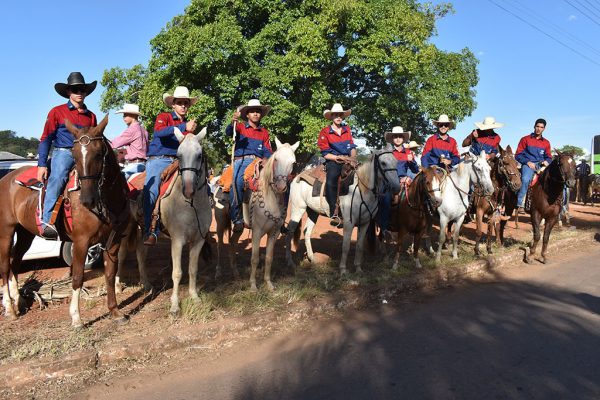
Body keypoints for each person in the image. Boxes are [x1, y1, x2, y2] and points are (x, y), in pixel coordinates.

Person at [36, 72, 98, 239]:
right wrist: (42, 164)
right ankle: (47, 221)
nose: (79, 92)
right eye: (75, 89)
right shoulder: (57, 111)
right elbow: (46, 138)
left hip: (85, 154)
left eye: (82, 89)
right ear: (69, 92)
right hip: (64, 152)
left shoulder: (91, 116)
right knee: (58, 178)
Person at [143, 86, 198, 245]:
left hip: (180, 161)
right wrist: (183, 128)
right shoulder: (164, 117)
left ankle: (201, 228)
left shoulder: (189, 126)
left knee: (202, 187)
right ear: (173, 104)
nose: (183, 106)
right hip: (159, 159)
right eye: (180, 103)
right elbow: (159, 132)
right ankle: (150, 230)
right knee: (151, 191)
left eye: (186, 103)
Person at [225, 99, 273, 232]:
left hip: (259, 161)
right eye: (252, 111)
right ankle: (237, 218)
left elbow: (267, 150)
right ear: (247, 114)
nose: (256, 114)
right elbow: (229, 132)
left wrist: (267, 159)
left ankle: (279, 216)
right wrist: (233, 121)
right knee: (237, 182)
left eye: (258, 111)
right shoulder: (240, 126)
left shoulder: (264, 132)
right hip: (242, 160)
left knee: (280, 180)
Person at [317, 103, 357, 226]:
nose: (338, 117)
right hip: (333, 160)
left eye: (340, 115)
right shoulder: (325, 132)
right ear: (331, 117)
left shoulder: (347, 129)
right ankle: (334, 211)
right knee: (331, 180)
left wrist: (353, 158)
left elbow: (352, 147)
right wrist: (337, 157)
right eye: (336, 115)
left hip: (348, 160)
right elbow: (325, 153)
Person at [378, 126, 420, 235]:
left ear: (403, 138)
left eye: (400, 136)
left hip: (405, 180)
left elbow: (415, 170)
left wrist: (411, 161)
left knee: (418, 197)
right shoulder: (388, 152)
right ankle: (384, 227)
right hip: (389, 181)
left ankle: (416, 225)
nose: (398, 139)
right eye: (395, 136)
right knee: (386, 199)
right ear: (392, 139)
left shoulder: (408, 152)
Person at [515, 118, 552, 211]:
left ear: (544, 129)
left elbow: (549, 157)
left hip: (541, 166)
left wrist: (547, 161)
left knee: (554, 179)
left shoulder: (546, 143)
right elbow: (518, 155)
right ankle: (520, 202)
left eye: (541, 127)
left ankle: (561, 208)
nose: (539, 129)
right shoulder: (525, 139)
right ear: (534, 126)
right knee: (525, 179)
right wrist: (527, 162)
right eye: (537, 126)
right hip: (528, 164)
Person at [111, 103, 148, 179]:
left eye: (126, 115)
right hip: (144, 165)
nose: (123, 117)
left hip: (134, 165)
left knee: (116, 181)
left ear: (133, 115)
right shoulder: (144, 130)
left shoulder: (131, 130)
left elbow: (115, 143)